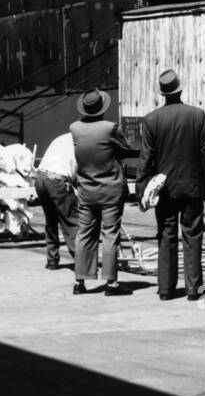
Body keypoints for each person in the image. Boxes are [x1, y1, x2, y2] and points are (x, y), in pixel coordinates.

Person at [136, 69, 205, 303]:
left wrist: (142, 190)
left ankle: (166, 290)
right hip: (192, 187)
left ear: (163, 93)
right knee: (193, 235)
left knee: (166, 235)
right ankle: (194, 290)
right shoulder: (197, 115)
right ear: (180, 90)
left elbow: (146, 159)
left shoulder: (152, 119)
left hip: (165, 189)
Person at [69, 89, 132, 297]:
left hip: (86, 189)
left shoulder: (75, 128)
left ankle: (80, 281)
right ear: (101, 108)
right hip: (110, 190)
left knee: (85, 234)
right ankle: (111, 283)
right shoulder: (109, 128)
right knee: (110, 235)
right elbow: (126, 148)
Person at [34, 130, 78, 270]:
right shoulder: (82, 141)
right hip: (57, 179)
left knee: (51, 220)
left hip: (41, 177)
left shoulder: (61, 138)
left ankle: (52, 260)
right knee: (71, 221)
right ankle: (82, 262)